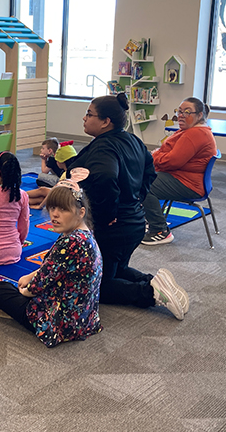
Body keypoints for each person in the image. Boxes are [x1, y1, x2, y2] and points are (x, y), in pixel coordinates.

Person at [67, 93, 189, 320]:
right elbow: (149, 172)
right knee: (115, 269)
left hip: (116, 227)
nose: (84, 118)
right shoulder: (131, 140)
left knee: (97, 287)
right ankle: (154, 281)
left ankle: (150, 293)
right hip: (133, 223)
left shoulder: (104, 147)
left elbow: (104, 177)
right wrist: (135, 200)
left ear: (106, 122)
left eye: (89, 114)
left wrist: (107, 214)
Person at [0, 181, 103, 348]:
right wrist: (30, 275)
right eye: (52, 209)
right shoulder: (85, 235)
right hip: (85, 317)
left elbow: (37, 286)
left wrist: (25, 291)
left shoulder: (71, 242)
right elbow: (55, 269)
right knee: (16, 287)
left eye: (63, 210)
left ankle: (15, 313)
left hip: (59, 323)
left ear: (81, 212)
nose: (54, 215)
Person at [141, 97, 217, 245]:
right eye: (179, 111)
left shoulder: (195, 134)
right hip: (185, 178)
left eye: (187, 112)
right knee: (142, 178)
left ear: (199, 115)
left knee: (142, 184)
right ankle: (150, 220)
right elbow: (167, 154)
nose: (180, 115)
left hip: (188, 184)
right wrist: (158, 155)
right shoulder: (192, 130)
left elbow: (172, 161)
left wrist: (153, 157)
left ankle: (160, 230)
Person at [27, 140, 77, 208]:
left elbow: (53, 192)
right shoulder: (72, 172)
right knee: (42, 196)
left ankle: (19, 196)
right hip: (66, 197)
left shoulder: (66, 175)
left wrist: (40, 206)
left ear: (61, 162)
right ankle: (19, 199)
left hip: (65, 199)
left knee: (42, 190)